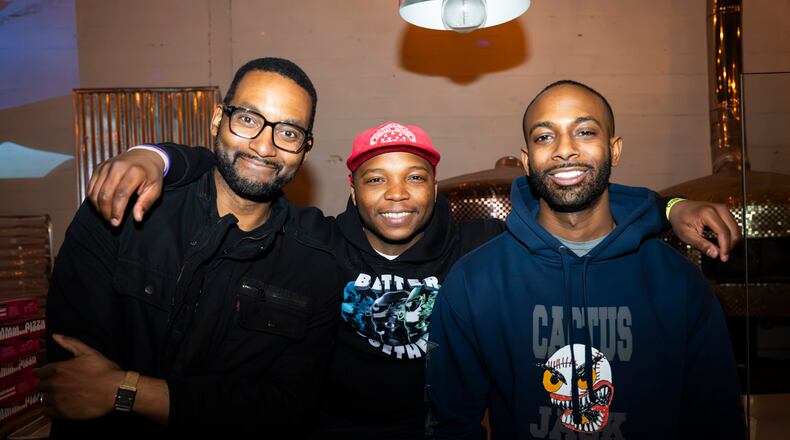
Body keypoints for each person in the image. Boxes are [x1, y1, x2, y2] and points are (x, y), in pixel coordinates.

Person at [87, 119, 740, 440]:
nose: (396, 195)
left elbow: (575, 199)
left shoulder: (481, 243)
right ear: (353, 186)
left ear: (436, 187)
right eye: (376, 177)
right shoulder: (312, 239)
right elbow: (246, 172)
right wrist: (158, 154)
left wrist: (671, 209)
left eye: (415, 177)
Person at [38, 57, 344, 439]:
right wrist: (154, 155)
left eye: (289, 132)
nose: (265, 147)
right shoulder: (122, 209)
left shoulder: (314, 261)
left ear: (306, 147)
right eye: (248, 119)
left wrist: (129, 390)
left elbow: (287, 408)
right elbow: (72, 379)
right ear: (218, 119)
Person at [425, 80, 745, 439]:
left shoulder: (677, 281)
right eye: (545, 137)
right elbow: (451, 424)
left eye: (585, 132)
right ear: (528, 161)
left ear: (615, 150)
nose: (565, 150)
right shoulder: (475, 281)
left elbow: (718, 419)